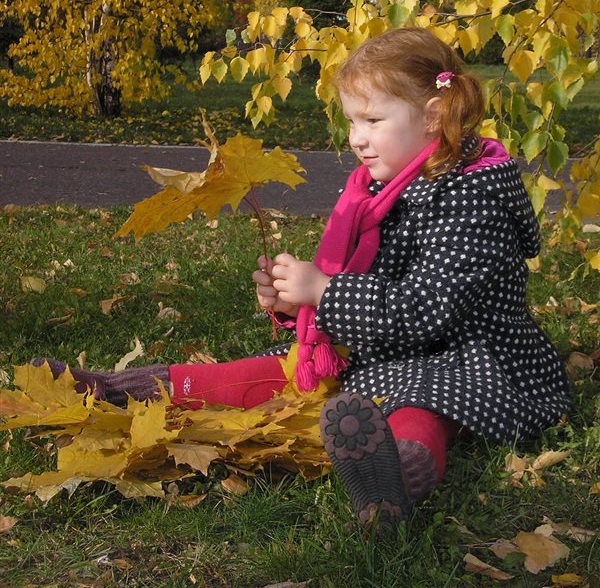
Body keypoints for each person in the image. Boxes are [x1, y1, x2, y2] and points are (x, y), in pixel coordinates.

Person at [34, 28, 571, 531]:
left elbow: (425, 308)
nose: (357, 140)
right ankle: (119, 389)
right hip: (382, 346)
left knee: (424, 401)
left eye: (372, 121)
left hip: (467, 355)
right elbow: (357, 278)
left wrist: (325, 293)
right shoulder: (375, 189)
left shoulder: (472, 196)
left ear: (432, 117)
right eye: (351, 123)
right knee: (277, 372)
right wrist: (297, 305)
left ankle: (396, 477)